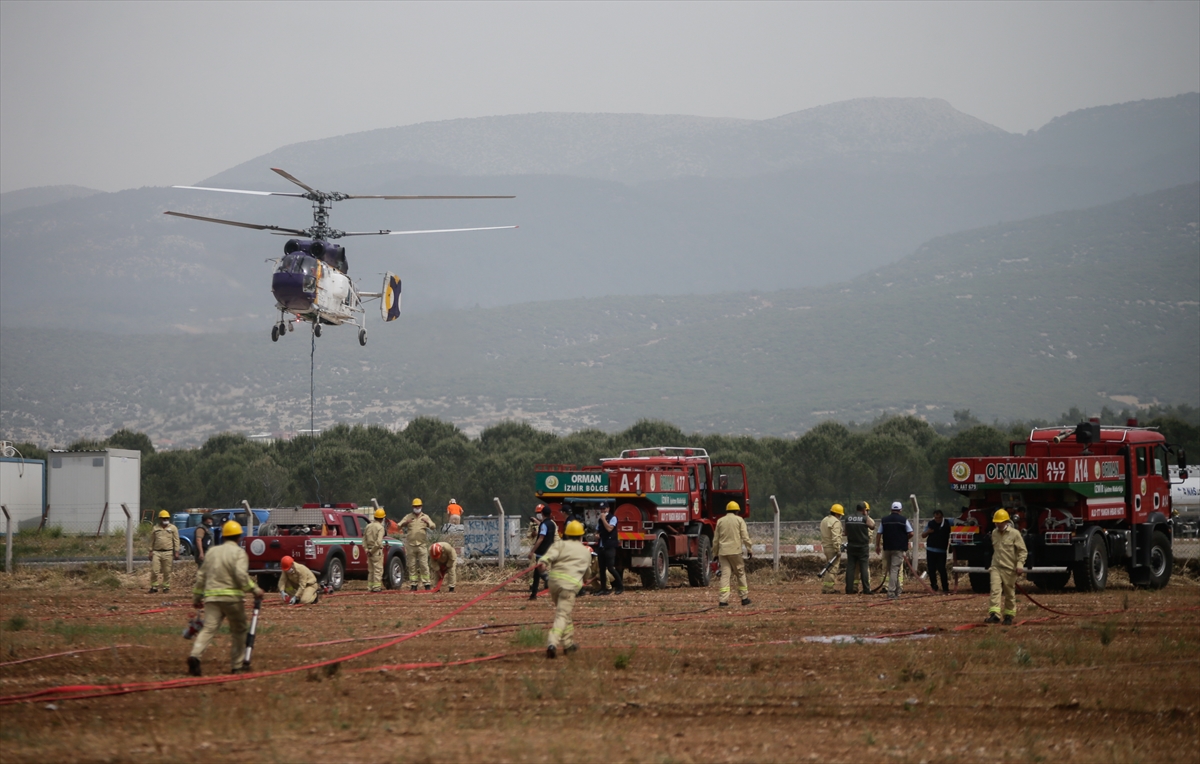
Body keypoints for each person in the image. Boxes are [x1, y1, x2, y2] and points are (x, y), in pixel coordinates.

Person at [188, 520, 265, 676]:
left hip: (211, 598)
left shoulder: (212, 552)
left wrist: (197, 598)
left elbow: (201, 576)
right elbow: (241, 575)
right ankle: (237, 666)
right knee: (239, 631)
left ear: (223, 537)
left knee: (208, 629)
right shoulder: (239, 553)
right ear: (238, 537)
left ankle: (195, 655)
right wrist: (255, 590)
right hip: (232, 599)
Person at [537, 519, 592, 658]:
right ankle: (552, 643)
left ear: (566, 534)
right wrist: (585, 580)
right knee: (562, 615)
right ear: (581, 536)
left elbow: (547, 558)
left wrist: (542, 563)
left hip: (554, 584)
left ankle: (568, 644)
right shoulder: (585, 552)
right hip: (569, 586)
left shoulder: (560, 544)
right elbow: (587, 573)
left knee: (564, 613)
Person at [986, 508, 1027, 625]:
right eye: (996, 522)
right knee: (995, 590)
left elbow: (1022, 551)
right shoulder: (994, 533)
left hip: (1009, 569)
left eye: (999, 522)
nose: (997, 524)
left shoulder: (1015, 534)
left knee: (1009, 593)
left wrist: (1020, 565)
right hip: (996, 567)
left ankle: (1009, 615)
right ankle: (994, 615)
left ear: (1005, 522)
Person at [712, 501, 753, 607]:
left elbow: (716, 540)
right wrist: (749, 549)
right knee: (740, 573)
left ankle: (723, 600)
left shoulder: (720, 521)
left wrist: (715, 553)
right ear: (737, 511)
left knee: (725, 575)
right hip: (735, 551)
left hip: (723, 552)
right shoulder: (739, 520)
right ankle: (744, 598)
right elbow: (745, 536)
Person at [875, 501, 913, 600]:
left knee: (888, 569)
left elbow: (879, 533)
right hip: (899, 548)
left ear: (891, 509)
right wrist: (905, 539)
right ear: (900, 510)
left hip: (887, 548)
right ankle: (891, 592)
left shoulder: (884, 520)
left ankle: (897, 589)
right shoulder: (903, 520)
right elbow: (911, 533)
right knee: (894, 570)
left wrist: (877, 546)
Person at [396, 499, 436, 591]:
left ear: (421, 507)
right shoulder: (408, 516)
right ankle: (413, 585)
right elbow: (398, 526)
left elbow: (433, 526)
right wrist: (406, 523)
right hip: (411, 545)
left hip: (422, 545)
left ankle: (427, 584)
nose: (417, 508)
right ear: (412, 507)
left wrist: (427, 522)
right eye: (415, 506)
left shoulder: (425, 516)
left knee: (424, 565)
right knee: (412, 565)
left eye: (418, 506)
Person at [844, 502, 876, 594]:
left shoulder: (848, 518)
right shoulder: (864, 518)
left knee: (850, 568)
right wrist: (866, 516)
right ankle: (866, 589)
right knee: (864, 568)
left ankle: (849, 589)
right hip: (862, 547)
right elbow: (872, 526)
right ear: (864, 510)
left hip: (851, 545)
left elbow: (845, 533)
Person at [528, 504, 557, 600]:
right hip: (550, 550)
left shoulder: (544, 525)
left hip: (542, 552)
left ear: (542, 513)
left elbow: (540, 538)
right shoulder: (552, 524)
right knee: (537, 573)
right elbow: (544, 526)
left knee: (540, 571)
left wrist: (532, 551)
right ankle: (533, 594)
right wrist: (536, 521)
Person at [149, 510, 180, 593]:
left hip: (168, 552)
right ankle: (154, 586)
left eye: (167, 518)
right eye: (163, 518)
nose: (165, 519)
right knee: (155, 571)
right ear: (160, 519)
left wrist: (176, 551)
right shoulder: (155, 528)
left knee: (167, 571)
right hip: (157, 552)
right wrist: (150, 551)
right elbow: (152, 540)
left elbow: (176, 540)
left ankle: (166, 587)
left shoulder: (173, 528)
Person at [922, 509, 953, 593]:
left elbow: (957, 523)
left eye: (939, 518)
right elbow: (923, 535)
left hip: (941, 551)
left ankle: (945, 588)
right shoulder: (930, 524)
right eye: (936, 518)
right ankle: (934, 586)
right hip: (931, 550)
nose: (937, 520)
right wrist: (928, 531)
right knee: (931, 569)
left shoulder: (947, 522)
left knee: (942, 569)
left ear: (942, 517)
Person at [596, 501, 623, 595]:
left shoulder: (613, 518)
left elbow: (609, 529)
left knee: (611, 568)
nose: (603, 511)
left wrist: (603, 520)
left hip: (610, 546)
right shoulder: (600, 520)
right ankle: (603, 589)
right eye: (601, 509)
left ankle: (620, 586)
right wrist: (597, 535)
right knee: (602, 569)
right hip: (601, 546)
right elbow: (598, 530)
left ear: (608, 509)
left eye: (604, 509)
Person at [819, 504, 846, 594]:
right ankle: (829, 588)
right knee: (833, 568)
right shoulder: (836, 522)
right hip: (832, 548)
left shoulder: (825, 520)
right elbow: (835, 537)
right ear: (838, 514)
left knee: (829, 567)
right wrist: (838, 549)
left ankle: (826, 586)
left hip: (826, 546)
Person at [363, 507, 387, 592]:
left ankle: (370, 587)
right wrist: (372, 551)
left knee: (371, 571)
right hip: (376, 552)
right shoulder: (380, 528)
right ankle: (376, 587)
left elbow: (364, 539)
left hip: (369, 551)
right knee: (378, 570)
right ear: (382, 518)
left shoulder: (368, 526)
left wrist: (367, 550)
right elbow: (379, 542)